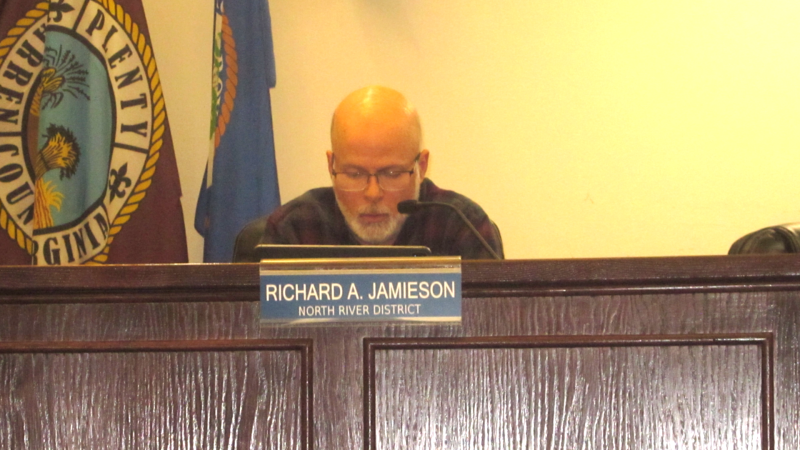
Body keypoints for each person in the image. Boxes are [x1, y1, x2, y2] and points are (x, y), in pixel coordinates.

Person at [234, 86, 503, 260]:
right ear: (331, 166)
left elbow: (493, 323)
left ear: (421, 166)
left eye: (391, 173)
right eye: (354, 174)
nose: (373, 193)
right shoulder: (294, 231)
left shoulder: (459, 226)